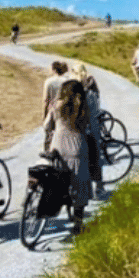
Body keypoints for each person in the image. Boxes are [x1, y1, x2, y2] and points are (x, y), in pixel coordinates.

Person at [43, 79, 91, 234]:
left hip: (57, 147)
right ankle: (78, 224)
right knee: (79, 184)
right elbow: (87, 126)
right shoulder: (83, 107)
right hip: (77, 148)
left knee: (58, 181)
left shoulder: (56, 106)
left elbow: (46, 125)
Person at [71, 62, 105, 198]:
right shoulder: (90, 94)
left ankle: (79, 188)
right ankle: (99, 187)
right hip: (92, 130)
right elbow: (96, 111)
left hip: (78, 131)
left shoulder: (71, 95)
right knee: (95, 158)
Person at [42, 61, 70, 150]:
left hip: (53, 111)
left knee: (49, 133)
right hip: (66, 112)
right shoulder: (67, 81)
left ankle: (47, 151)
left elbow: (46, 101)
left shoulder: (49, 82)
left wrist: (44, 115)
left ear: (54, 70)